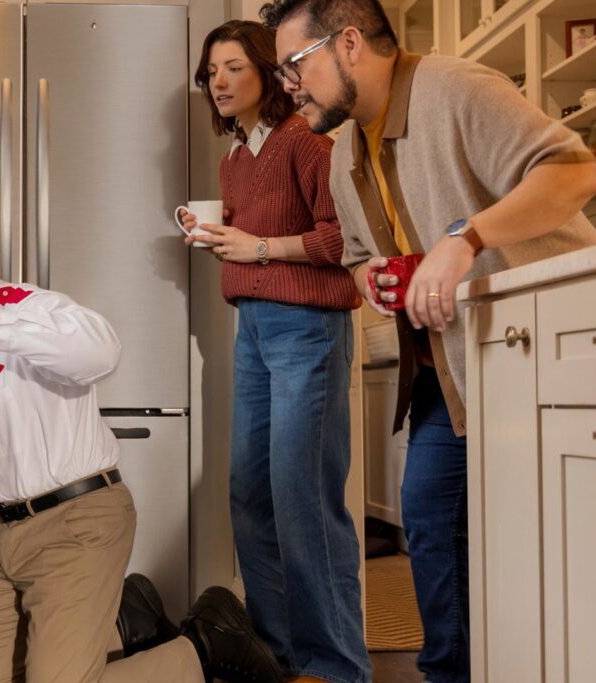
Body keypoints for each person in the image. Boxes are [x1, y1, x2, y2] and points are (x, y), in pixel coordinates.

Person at [0, 184, 283, 683]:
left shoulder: (26, 306)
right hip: (3, 537)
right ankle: (127, 622)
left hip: (77, 525)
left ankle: (207, 645)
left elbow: (102, 352)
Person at [260, 1, 596, 680]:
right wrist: (373, 279)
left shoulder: (458, 88)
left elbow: (575, 173)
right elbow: (356, 257)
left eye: (294, 65)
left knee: (556, 546)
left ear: (349, 42)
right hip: (452, 370)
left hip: (556, 352)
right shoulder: (344, 154)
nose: (287, 85)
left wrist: (465, 238)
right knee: (431, 521)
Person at [179, 20, 368, 683]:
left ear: (268, 71)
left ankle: (336, 665)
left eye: (234, 67)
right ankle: (281, 654)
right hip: (255, 328)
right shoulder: (237, 158)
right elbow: (255, 239)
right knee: (250, 493)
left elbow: (346, 237)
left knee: (303, 496)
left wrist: (257, 247)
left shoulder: (307, 142)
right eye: (211, 72)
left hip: (306, 326)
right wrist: (224, 239)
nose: (220, 82)